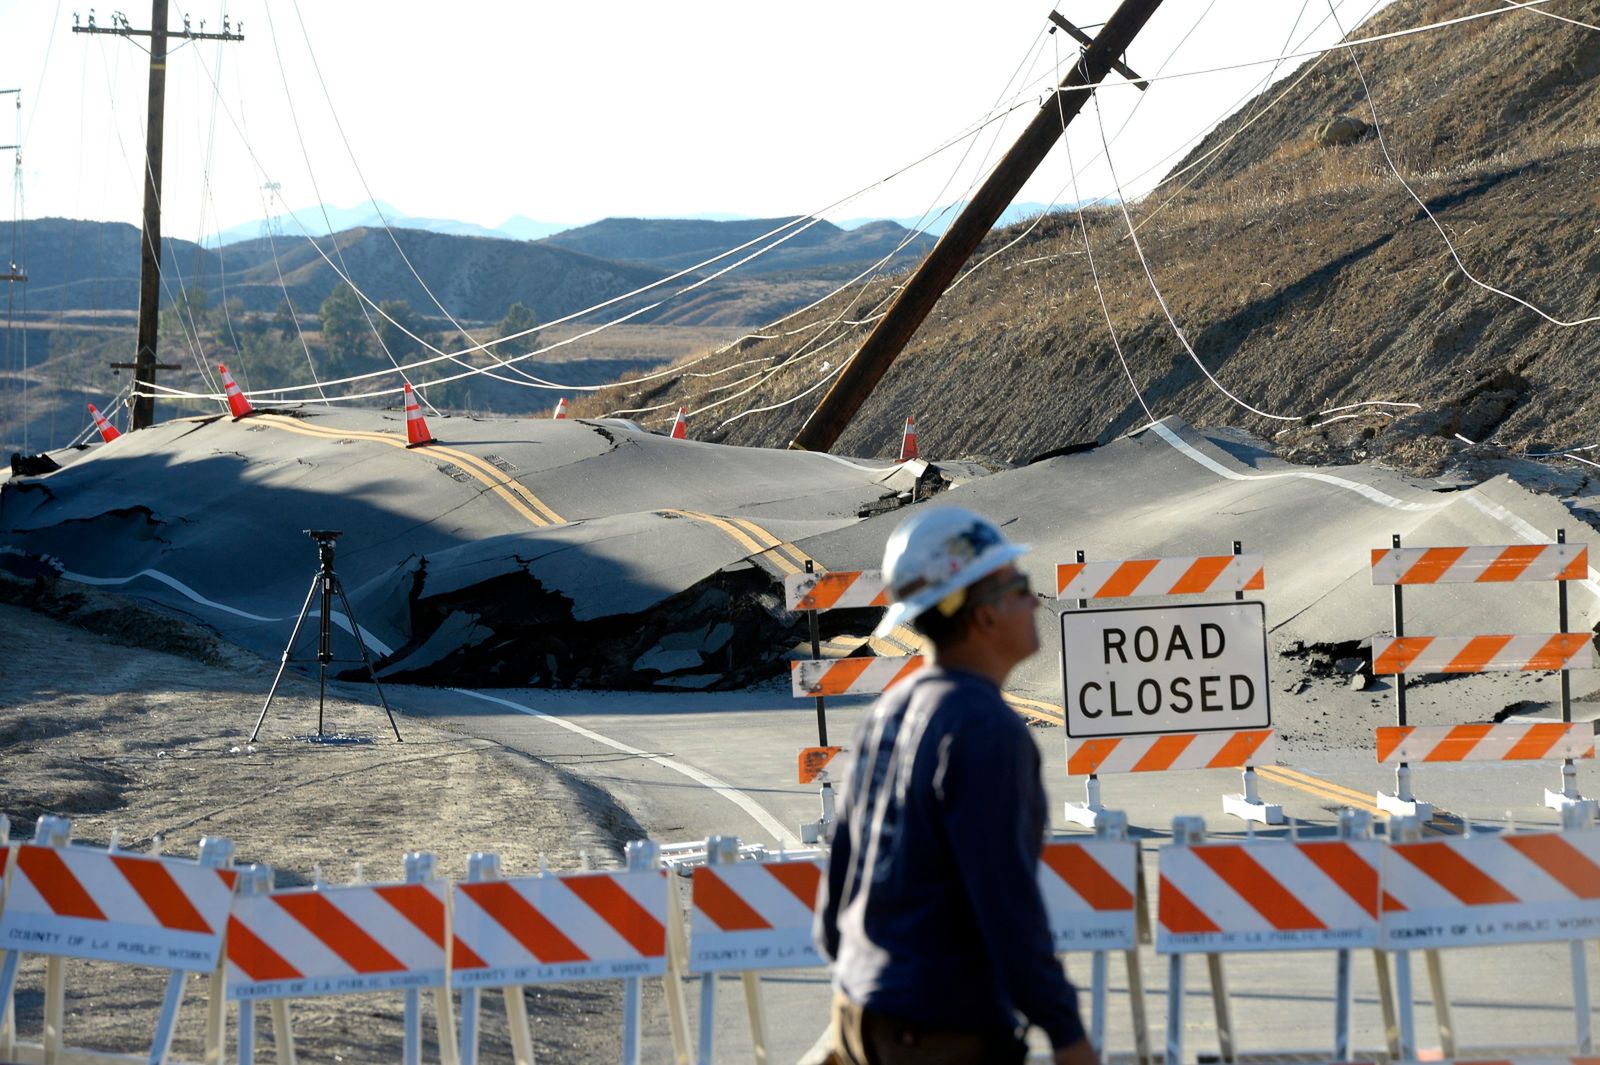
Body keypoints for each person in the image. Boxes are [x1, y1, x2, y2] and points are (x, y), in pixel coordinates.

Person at [814, 506, 1096, 1065]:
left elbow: (837, 893)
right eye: (1018, 587)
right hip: (936, 1031)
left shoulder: (887, 712)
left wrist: (864, 989)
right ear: (982, 616)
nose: (1034, 601)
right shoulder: (985, 730)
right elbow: (1006, 903)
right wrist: (1066, 1033)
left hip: (862, 1015)